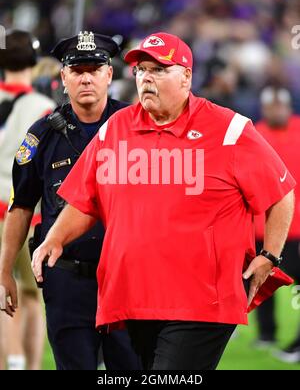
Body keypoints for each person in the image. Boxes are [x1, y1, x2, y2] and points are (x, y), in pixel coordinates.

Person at [31, 32, 295, 370]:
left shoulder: (229, 130)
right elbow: (85, 199)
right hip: (134, 297)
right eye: (141, 70)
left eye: (159, 70)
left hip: (202, 299)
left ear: (186, 76)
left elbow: (281, 191)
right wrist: (54, 239)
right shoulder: (115, 129)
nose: (147, 78)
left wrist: (269, 255)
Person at [0, 30, 140, 370]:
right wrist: (4, 271)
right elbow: (21, 206)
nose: (86, 78)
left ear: (109, 74)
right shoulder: (42, 134)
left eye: (95, 69)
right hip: (67, 281)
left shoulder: (137, 128)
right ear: (63, 77)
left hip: (127, 279)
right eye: (77, 71)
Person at [0, 29, 55, 370]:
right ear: (34, 62)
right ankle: (29, 366)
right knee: (33, 296)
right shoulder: (44, 107)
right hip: (25, 210)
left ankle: (10, 362)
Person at [254, 86, 300, 362]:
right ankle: (266, 334)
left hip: (296, 230)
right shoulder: (255, 134)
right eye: (271, 107)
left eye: (280, 106)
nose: (276, 111)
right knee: (259, 283)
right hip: (263, 227)